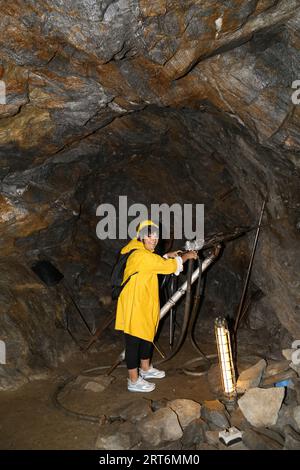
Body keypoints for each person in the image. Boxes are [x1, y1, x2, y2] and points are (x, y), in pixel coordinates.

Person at [115, 220, 198, 392]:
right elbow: (164, 267)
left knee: (147, 333)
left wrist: (168, 255)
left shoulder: (141, 251)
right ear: (141, 236)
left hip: (143, 300)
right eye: (149, 235)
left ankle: (145, 368)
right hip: (134, 303)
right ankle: (133, 380)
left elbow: (155, 262)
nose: (153, 239)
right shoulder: (140, 255)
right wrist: (185, 256)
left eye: (156, 236)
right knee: (133, 340)